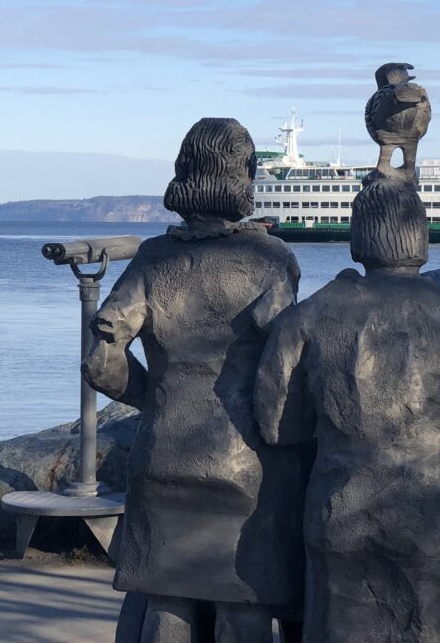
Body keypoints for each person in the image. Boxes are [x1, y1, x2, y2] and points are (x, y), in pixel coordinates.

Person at [255, 162, 440, 643]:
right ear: (421, 238)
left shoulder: (310, 315)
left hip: (340, 509)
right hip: (434, 517)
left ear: (357, 239)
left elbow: (277, 427)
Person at [82, 118, 305, 643]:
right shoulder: (269, 258)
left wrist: (155, 398)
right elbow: (286, 361)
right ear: (242, 176)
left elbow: (100, 362)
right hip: (248, 464)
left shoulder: (153, 258)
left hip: (163, 455)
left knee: (167, 602)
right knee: (243, 605)